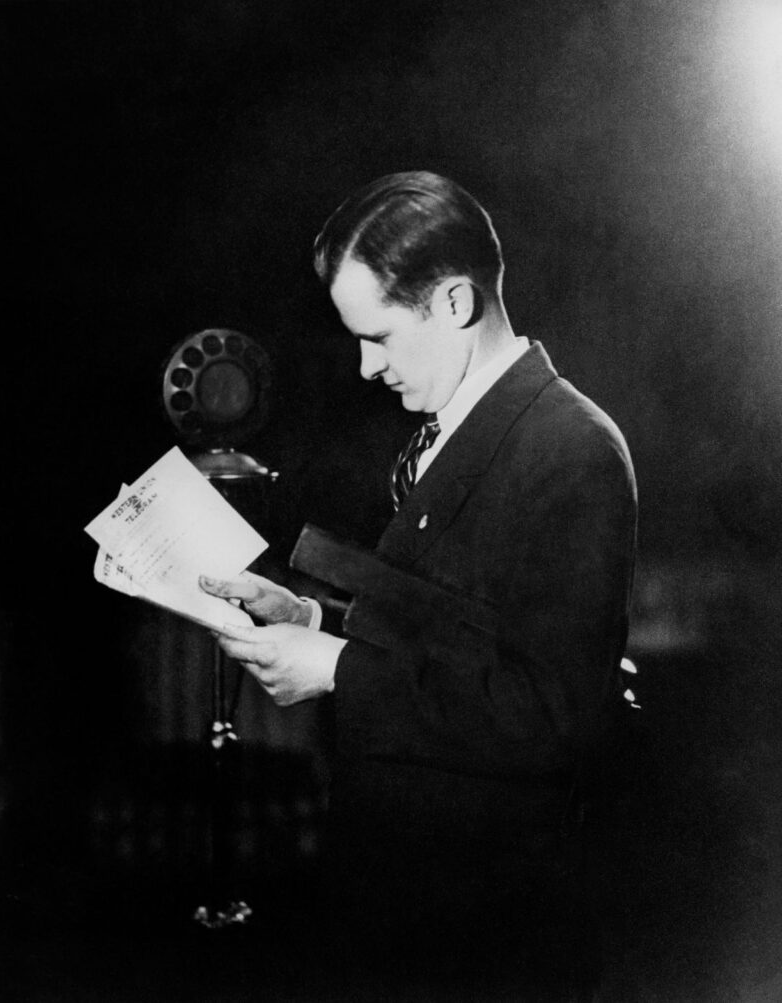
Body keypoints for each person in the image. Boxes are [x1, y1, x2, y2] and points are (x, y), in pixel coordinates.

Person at [200, 171, 637, 1000]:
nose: (366, 368)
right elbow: (450, 625)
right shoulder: (452, 431)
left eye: (382, 337)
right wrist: (311, 614)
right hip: (407, 917)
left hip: (488, 940)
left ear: (454, 304)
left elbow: (550, 716)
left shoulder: (572, 451)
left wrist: (334, 669)